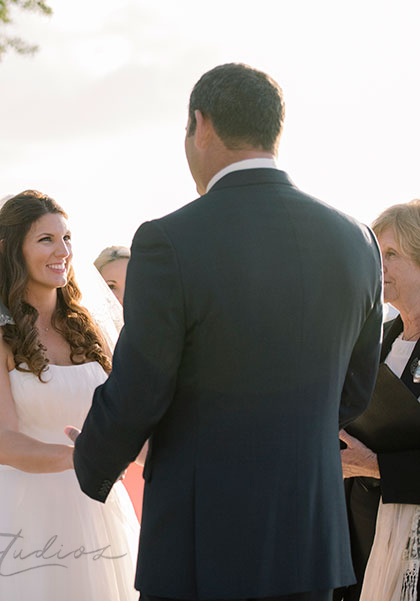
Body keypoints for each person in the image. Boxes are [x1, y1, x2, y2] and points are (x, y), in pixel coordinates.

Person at [71, 63, 383, 601]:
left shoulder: (169, 240)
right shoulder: (356, 240)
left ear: (201, 124)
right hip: (309, 538)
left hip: (202, 541)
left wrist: (93, 461)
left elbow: (141, 388)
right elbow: (356, 389)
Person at [0, 191, 139, 600]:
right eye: (46, 239)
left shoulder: (92, 330)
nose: (62, 250)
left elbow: (125, 412)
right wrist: (81, 459)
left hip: (98, 508)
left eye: (66, 239)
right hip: (22, 516)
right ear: (12, 249)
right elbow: (2, 441)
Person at [338, 201, 420, 601]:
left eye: (392, 255)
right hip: (363, 541)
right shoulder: (375, 338)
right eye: (376, 254)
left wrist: (375, 465)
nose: (379, 267)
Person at [94, 244, 145, 521]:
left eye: (133, 284)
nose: (121, 298)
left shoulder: (163, 345)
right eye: (110, 286)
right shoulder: (79, 348)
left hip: (150, 471)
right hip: (103, 473)